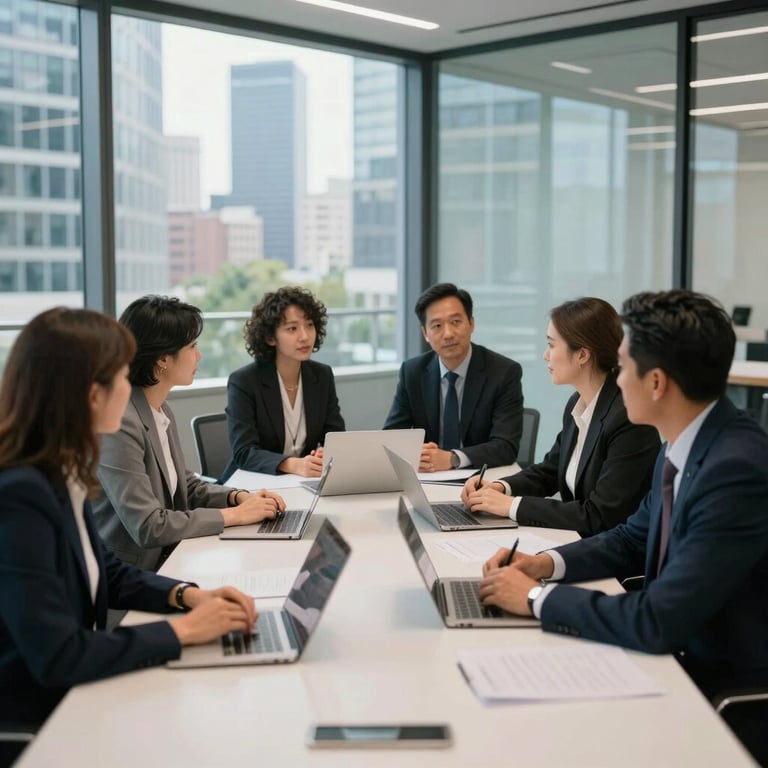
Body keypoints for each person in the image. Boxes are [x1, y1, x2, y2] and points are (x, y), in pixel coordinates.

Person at [478, 290, 768, 763]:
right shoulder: (687, 443)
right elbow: (632, 536)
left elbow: (659, 621)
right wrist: (544, 564)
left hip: (715, 691)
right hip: (667, 658)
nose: (617, 377)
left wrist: (533, 599)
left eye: (625, 365)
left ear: (656, 383)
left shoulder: (735, 468)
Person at [0, 308, 258, 733]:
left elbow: (110, 571)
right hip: (38, 723)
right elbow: (58, 654)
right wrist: (182, 633)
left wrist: (186, 596)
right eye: (121, 376)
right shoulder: (20, 495)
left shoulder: (60, 470)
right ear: (92, 395)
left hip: (78, 691)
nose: (130, 387)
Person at [94, 296, 286, 573]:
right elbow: (149, 526)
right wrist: (233, 515)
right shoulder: (120, 423)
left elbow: (187, 487)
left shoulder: (159, 409)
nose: (199, 355)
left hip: (173, 558)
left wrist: (239, 497)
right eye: (192, 346)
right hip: (131, 579)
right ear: (162, 359)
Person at [461, 297, 659, 535]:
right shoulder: (578, 402)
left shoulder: (629, 419)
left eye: (552, 345)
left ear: (582, 355)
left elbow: (599, 517)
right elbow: (550, 471)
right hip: (576, 542)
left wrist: (512, 506)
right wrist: (500, 488)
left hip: (613, 559)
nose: (546, 355)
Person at [384, 283, 523, 471]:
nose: (448, 334)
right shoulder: (413, 372)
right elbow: (391, 438)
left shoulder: (503, 372)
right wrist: (418, 453)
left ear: (471, 323)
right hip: (428, 478)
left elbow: (506, 446)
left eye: (456, 322)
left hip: (482, 477)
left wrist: (453, 459)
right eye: (437, 326)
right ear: (425, 333)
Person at [223, 286, 345, 478]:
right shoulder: (245, 381)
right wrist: (292, 464)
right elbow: (244, 452)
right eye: (292, 328)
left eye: (310, 325)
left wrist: (325, 454)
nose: (304, 336)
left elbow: (337, 437)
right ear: (271, 337)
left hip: (301, 483)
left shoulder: (322, 376)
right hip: (252, 484)